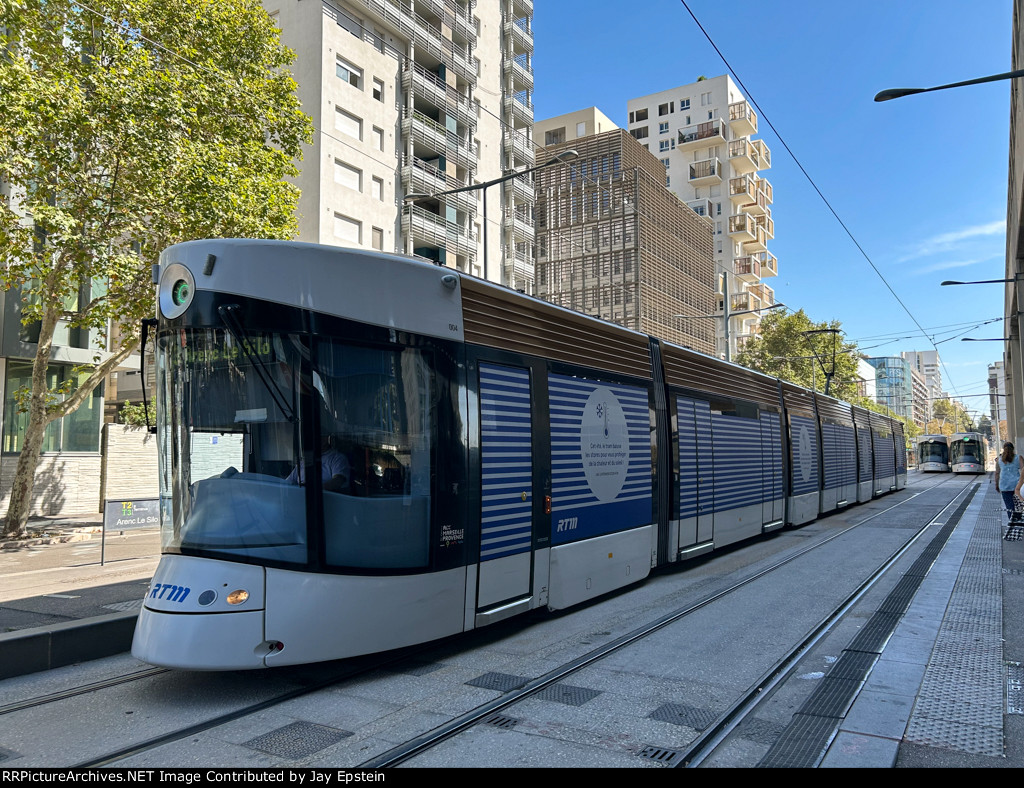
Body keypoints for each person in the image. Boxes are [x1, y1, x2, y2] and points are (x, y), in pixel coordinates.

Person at [286, 435, 350, 493]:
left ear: (325, 439)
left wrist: (312, 489)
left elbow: (337, 481)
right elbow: (289, 481)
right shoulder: (305, 460)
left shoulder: (337, 458)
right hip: (301, 498)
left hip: (326, 500)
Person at [994, 441, 1024, 525]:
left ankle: (1012, 523)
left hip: (1004, 486)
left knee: (1009, 506)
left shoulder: (999, 460)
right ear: (1013, 449)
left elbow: (997, 473)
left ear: (1003, 449)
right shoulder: (1019, 457)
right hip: (1017, 486)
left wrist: (996, 485)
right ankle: (1018, 521)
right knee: (1019, 506)